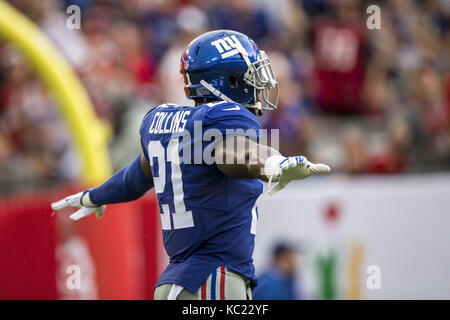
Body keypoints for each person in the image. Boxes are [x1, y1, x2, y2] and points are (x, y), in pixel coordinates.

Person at [51, 30, 330, 300]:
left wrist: (95, 195)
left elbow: (138, 175)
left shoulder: (162, 119)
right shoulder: (226, 118)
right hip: (214, 281)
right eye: (252, 74)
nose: (260, 83)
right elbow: (235, 153)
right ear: (230, 81)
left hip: (173, 283)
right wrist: (273, 163)